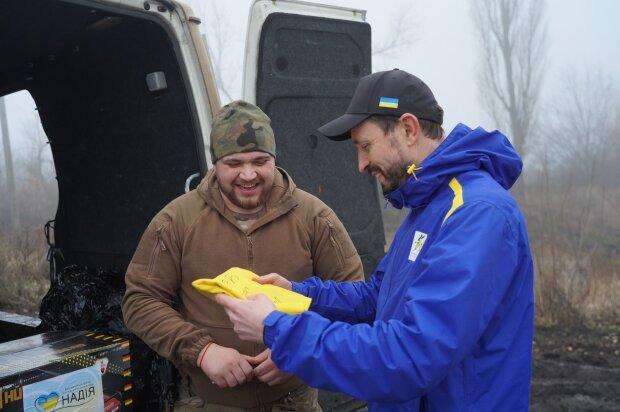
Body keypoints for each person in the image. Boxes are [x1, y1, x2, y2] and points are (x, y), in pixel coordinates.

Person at [216, 69, 534, 411]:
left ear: (408, 129)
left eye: (365, 146)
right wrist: (297, 295)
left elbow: (413, 354)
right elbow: (376, 300)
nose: (361, 164)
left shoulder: (477, 213)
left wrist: (277, 328)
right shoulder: (429, 207)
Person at [122, 100, 363, 411]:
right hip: (208, 403)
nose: (248, 174)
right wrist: (202, 351)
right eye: (234, 163)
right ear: (215, 164)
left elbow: (354, 299)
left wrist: (300, 349)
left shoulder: (315, 218)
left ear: (274, 159)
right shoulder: (176, 221)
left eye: (260, 161)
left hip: (293, 403)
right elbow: (140, 300)